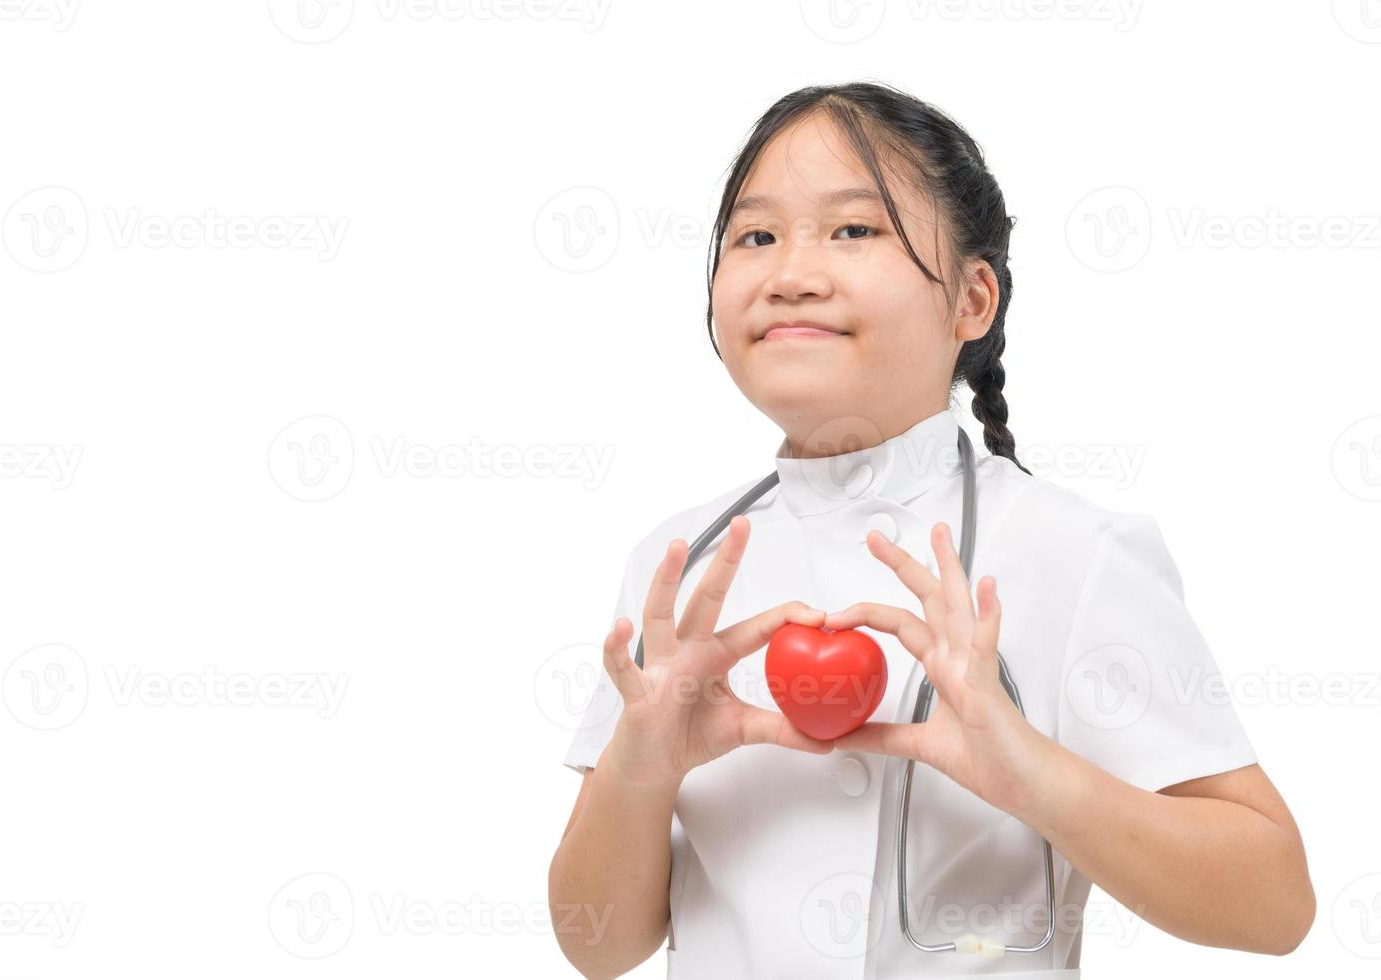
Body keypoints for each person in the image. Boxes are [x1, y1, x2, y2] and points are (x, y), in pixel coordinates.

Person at [547, 81, 1314, 979]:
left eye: (854, 229)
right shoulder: (679, 564)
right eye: (755, 236)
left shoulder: (1072, 552)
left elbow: (1277, 904)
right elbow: (595, 947)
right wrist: (642, 765)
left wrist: (1031, 773)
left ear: (972, 302)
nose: (790, 270)